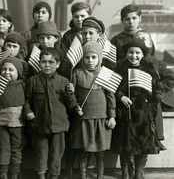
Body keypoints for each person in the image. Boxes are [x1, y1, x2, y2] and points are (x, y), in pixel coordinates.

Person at [111, 38, 163, 179]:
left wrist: (151, 105)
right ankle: (125, 172)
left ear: (142, 54)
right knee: (125, 144)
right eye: (130, 52)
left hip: (143, 114)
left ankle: (138, 171)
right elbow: (111, 88)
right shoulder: (119, 68)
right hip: (125, 112)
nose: (133, 56)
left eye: (137, 53)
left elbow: (158, 89)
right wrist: (121, 96)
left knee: (143, 143)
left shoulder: (149, 68)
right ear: (126, 53)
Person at [23, 48, 79, 179]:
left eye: (51, 62)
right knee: (41, 154)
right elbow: (27, 101)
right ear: (39, 63)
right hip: (39, 125)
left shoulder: (64, 81)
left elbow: (71, 105)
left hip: (59, 126)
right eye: (43, 62)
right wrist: (28, 111)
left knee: (56, 155)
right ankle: (41, 176)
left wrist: (71, 94)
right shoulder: (33, 81)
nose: (47, 65)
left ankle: (54, 176)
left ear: (58, 64)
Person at [70, 41, 116, 179]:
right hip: (84, 119)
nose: (90, 61)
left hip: (101, 119)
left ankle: (100, 175)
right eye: (87, 57)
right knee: (83, 150)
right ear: (82, 58)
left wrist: (112, 116)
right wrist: (74, 105)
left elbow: (110, 96)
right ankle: (83, 175)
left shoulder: (105, 73)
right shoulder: (77, 73)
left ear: (99, 58)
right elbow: (72, 96)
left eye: (94, 57)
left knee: (100, 151)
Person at [0, 57, 26, 179]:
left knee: (16, 150)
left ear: (18, 72)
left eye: (11, 70)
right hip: (2, 126)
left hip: (19, 126)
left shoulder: (24, 85)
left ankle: (14, 174)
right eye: (4, 69)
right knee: (3, 150)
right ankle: (3, 174)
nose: (6, 72)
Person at [134, 30, 174, 151]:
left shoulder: (156, 63)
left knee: (154, 105)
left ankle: (157, 137)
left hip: (153, 96)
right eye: (138, 39)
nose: (141, 41)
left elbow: (171, 78)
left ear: (150, 44)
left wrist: (158, 88)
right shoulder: (131, 61)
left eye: (144, 39)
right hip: (135, 96)